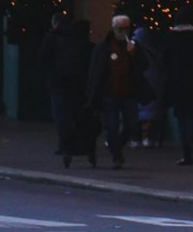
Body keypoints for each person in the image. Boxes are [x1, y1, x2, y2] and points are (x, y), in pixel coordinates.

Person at [87, 14, 142, 168]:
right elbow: (96, 71)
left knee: (131, 124)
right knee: (111, 126)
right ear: (114, 28)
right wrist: (93, 92)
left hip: (128, 92)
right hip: (109, 93)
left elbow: (142, 67)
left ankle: (117, 146)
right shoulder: (104, 47)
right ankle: (116, 155)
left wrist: (133, 55)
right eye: (120, 29)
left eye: (126, 28)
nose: (123, 32)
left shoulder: (132, 46)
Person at [163, 7, 193, 166]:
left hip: (177, 80)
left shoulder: (172, 36)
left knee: (181, 117)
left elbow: (164, 59)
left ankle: (187, 152)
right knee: (191, 116)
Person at [44, 13, 87, 162]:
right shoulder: (76, 37)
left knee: (60, 115)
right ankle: (74, 143)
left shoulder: (52, 37)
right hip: (75, 82)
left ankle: (64, 145)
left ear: (55, 23)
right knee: (72, 114)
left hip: (58, 82)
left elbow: (44, 58)